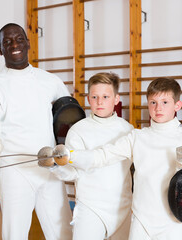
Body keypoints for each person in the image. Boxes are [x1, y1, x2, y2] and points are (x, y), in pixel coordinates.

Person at [69, 77, 182, 239]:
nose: (158, 108)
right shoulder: (137, 136)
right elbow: (102, 156)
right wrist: (67, 156)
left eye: (165, 102)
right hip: (142, 221)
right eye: (153, 102)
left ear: (177, 105)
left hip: (174, 222)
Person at [0, 23, 73, 240]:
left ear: (28, 43)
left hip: (49, 168)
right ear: (0, 49)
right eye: (7, 42)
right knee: (15, 234)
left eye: (19, 39)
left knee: (63, 233)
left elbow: (68, 121)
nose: (14, 45)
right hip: (14, 171)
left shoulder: (51, 81)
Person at [48, 72, 133, 239]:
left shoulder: (127, 130)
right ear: (88, 99)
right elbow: (73, 172)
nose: (99, 102)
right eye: (94, 97)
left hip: (122, 208)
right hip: (90, 207)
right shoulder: (78, 131)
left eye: (105, 96)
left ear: (116, 99)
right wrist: (55, 165)